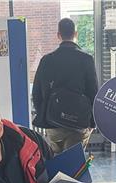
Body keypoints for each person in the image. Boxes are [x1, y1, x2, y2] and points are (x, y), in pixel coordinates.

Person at [32, 17, 98, 154]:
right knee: (74, 166)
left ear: (58, 35)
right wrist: (92, 122)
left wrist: (44, 114)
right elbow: (93, 93)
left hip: (53, 122)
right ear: (75, 34)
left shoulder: (47, 60)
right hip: (78, 123)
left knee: (55, 162)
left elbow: (36, 93)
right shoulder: (86, 59)